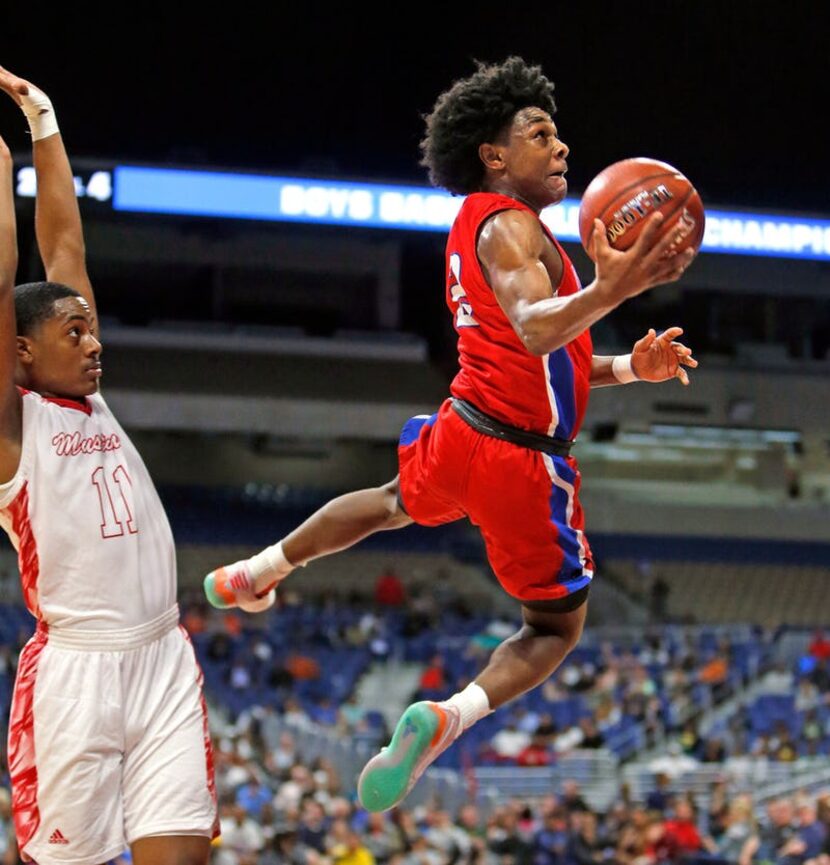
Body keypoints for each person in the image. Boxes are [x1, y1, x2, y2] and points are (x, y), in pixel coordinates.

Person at [204, 57, 698, 811]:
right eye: (540, 133)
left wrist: (633, 365)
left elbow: (552, 355)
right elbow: (536, 329)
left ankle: (262, 568)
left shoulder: (495, 230)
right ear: (493, 156)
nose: (562, 146)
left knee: (389, 499)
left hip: (465, 426)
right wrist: (612, 287)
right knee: (553, 629)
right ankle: (448, 717)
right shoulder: (507, 225)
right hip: (524, 462)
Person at [0, 66, 216, 863]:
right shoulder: (12, 424)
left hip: (162, 656)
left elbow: (63, 246)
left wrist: (42, 122)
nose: (94, 344)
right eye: (74, 333)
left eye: (91, 330)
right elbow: (6, 276)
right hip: (76, 679)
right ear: (20, 351)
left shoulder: (88, 397)